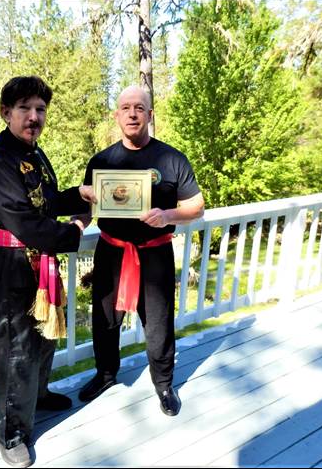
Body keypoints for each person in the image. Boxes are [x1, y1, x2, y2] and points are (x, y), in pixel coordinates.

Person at [0, 76, 92, 468]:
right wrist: (74, 229)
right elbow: (25, 223)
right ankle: (10, 432)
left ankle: (37, 398)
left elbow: (47, 200)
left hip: (38, 261)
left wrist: (81, 195)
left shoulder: (33, 153)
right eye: (25, 108)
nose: (34, 116)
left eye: (40, 109)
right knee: (15, 349)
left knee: (43, 337)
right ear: (6, 113)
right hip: (9, 267)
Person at [78, 85, 205, 417]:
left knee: (159, 324)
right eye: (125, 108)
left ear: (150, 114)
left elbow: (196, 207)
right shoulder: (101, 161)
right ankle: (105, 374)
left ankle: (163, 384)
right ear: (117, 115)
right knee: (104, 320)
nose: (132, 113)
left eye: (139, 107)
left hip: (155, 254)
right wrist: (78, 220)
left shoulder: (172, 159)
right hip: (111, 253)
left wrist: (167, 216)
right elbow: (85, 209)